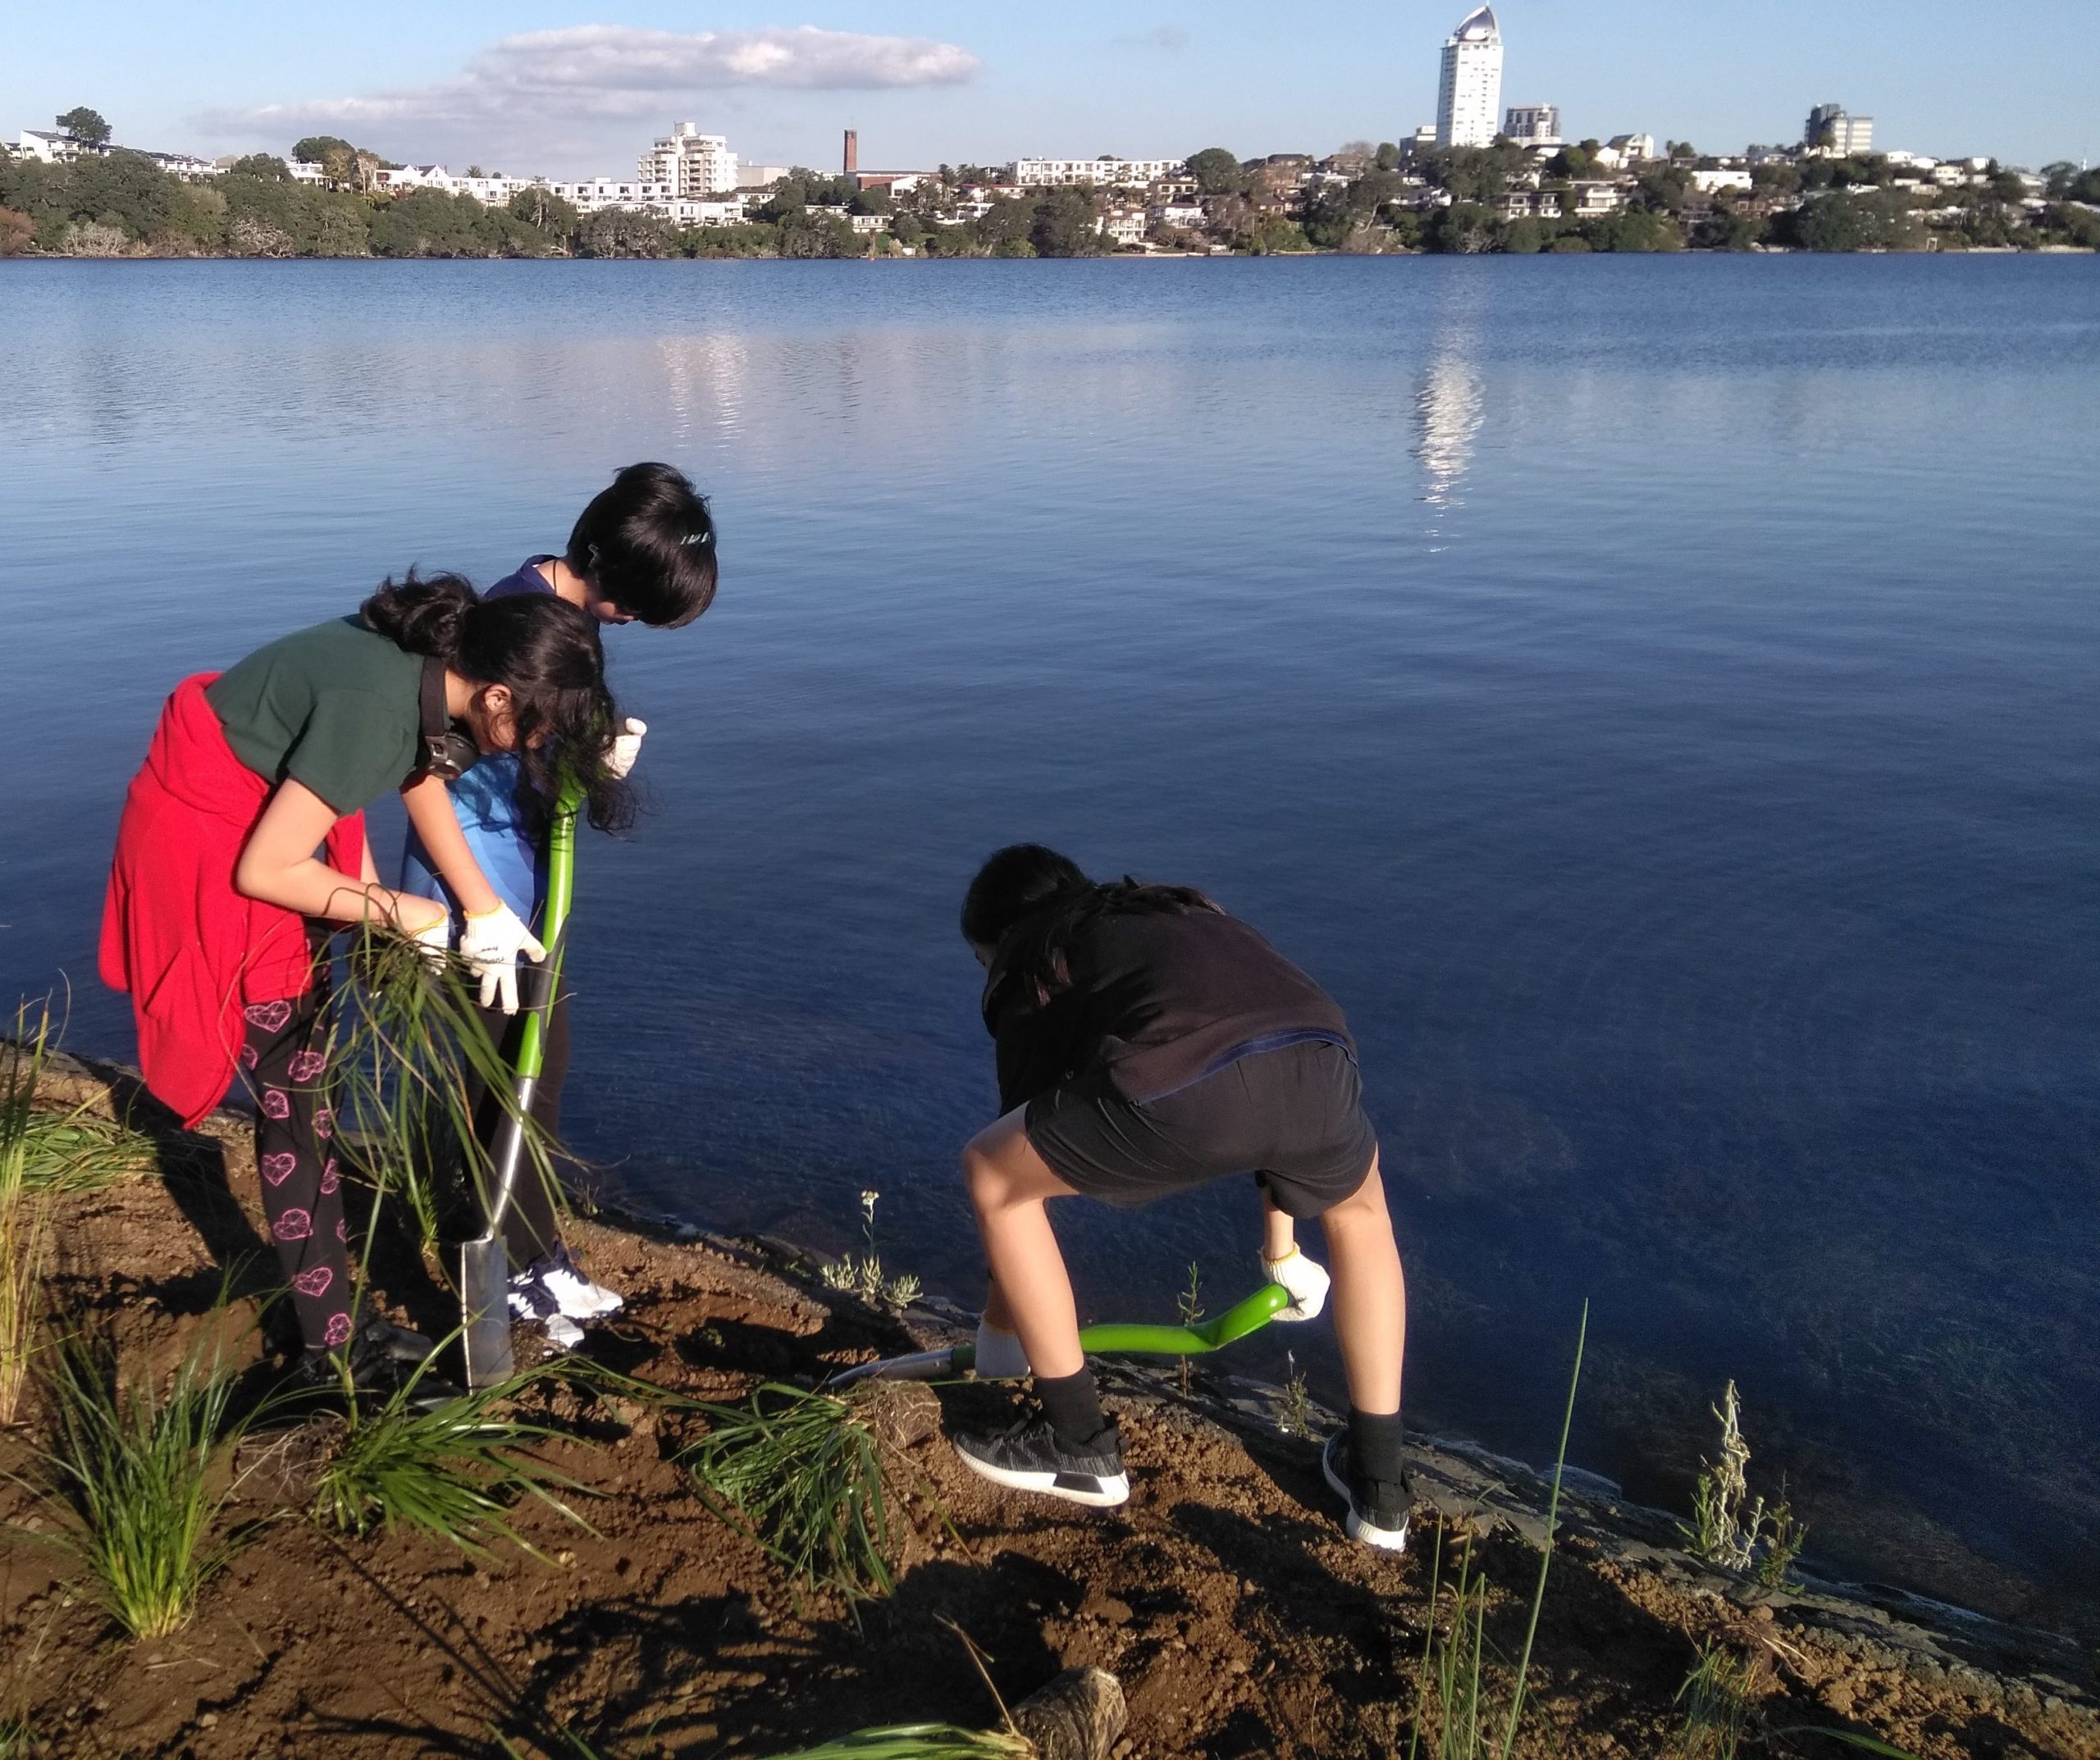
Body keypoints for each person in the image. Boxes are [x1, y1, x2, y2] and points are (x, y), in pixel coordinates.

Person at [99, 572, 631, 1393]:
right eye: (535, 727)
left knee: (312, 1080)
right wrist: (399, 911)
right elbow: (268, 865)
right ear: (496, 697)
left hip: (263, 816)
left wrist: (480, 909)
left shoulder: (432, 660)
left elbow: (413, 771)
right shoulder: (376, 704)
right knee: (294, 1091)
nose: (532, 745)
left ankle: (333, 1321)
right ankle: (329, 1350)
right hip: (218, 846)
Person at [951, 845, 1413, 1550]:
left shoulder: (1033, 956)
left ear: (996, 942)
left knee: (991, 1171)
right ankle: (1381, 1493)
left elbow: (1017, 1174)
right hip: (1322, 1055)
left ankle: (1079, 1447)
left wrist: (998, 1336)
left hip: (1190, 1083)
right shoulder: (1175, 907)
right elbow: (1254, 1041)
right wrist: (1281, 1250)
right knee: (1363, 1213)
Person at [399, 463, 718, 1347]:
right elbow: (424, 773)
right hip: (472, 897)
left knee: (539, 1075)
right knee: (494, 1087)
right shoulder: (511, 621)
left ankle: (538, 1256)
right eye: (635, 604)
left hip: (524, 889)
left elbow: (526, 751)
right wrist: (476, 910)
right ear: (596, 560)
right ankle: (496, 1274)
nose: (634, 623)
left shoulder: (567, 615)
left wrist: (582, 759)